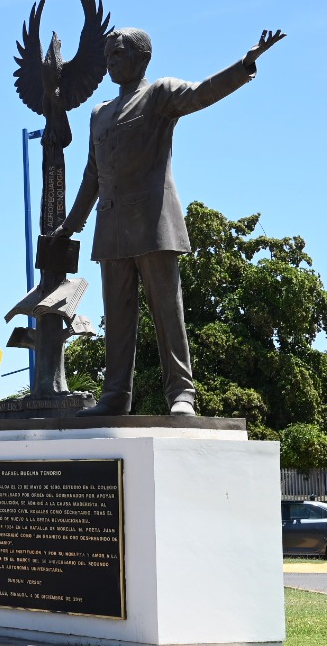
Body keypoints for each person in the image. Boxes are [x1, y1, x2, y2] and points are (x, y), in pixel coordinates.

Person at [52, 26, 285, 416]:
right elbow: (93, 175)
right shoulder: (99, 114)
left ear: (142, 58)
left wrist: (244, 64)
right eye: (108, 55)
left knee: (167, 312)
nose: (110, 61)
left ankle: (182, 393)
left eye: (118, 53)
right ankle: (115, 396)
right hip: (111, 229)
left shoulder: (159, 94)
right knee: (117, 318)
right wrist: (71, 225)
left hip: (153, 223)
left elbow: (200, 93)